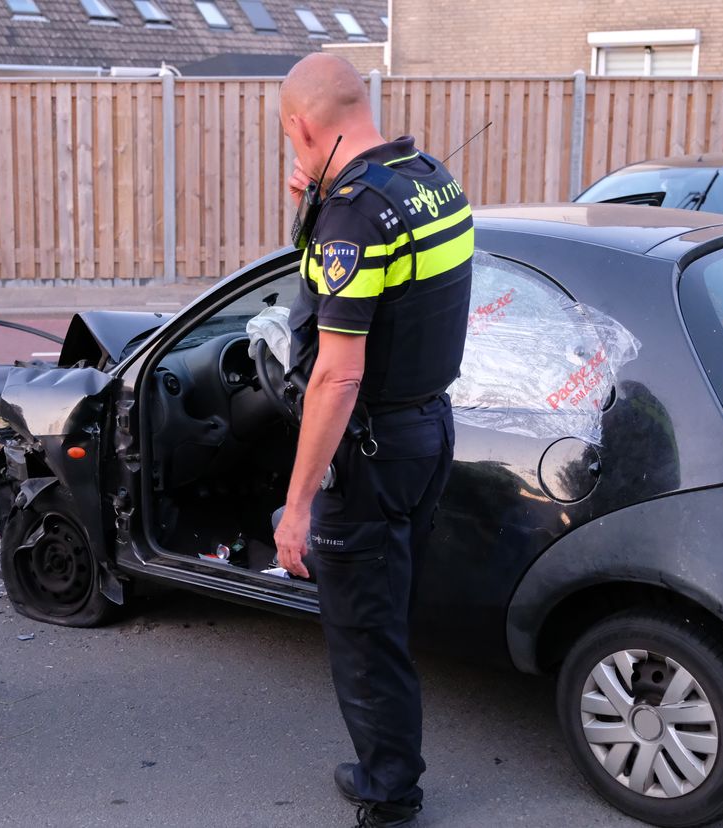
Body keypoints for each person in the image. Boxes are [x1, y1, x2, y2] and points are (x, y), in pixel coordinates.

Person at [274, 55, 473, 827]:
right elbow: (359, 286)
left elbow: (335, 376)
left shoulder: (356, 213)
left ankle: (389, 794)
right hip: (428, 432)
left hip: (372, 450)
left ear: (300, 125)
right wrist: (312, 204)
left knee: (364, 633)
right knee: (387, 614)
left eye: (291, 141)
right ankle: (389, 765)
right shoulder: (428, 177)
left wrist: (296, 507)